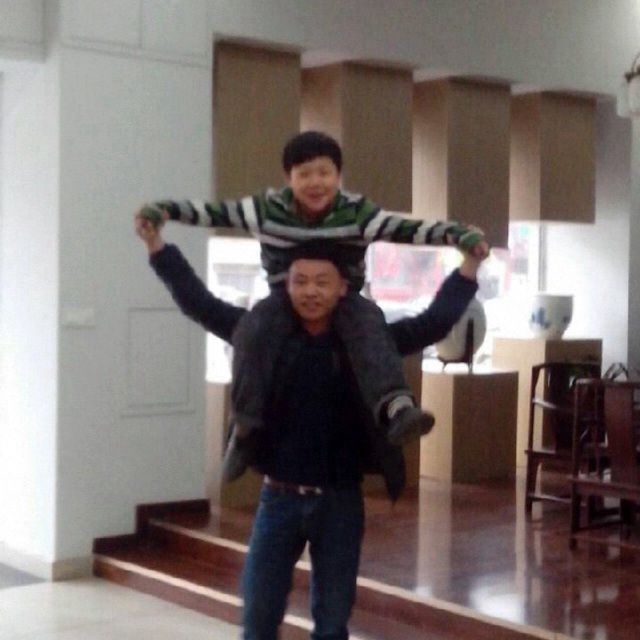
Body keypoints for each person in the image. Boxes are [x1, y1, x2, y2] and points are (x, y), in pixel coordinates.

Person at [135, 213, 483, 640]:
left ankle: (399, 408)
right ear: (286, 286)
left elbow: (433, 323)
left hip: (339, 503)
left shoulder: (368, 345)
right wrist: (157, 247)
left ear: (342, 288)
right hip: (278, 500)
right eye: (300, 281)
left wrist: (470, 266)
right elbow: (199, 304)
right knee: (258, 621)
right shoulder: (263, 337)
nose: (310, 291)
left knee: (332, 624)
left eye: (322, 282)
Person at [139, 130, 489, 481]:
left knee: (368, 317)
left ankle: (396, 408)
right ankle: (244, 427)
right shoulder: (265, 230)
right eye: (304, 174)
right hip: (280, 491)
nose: (311, 292)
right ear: (288, 178)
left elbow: (413, 243)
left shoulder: (364, 333)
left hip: (341, 489)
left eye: (324, 172)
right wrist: (158, 235)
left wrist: (463, 247)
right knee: (253, 327)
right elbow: (204, 265)